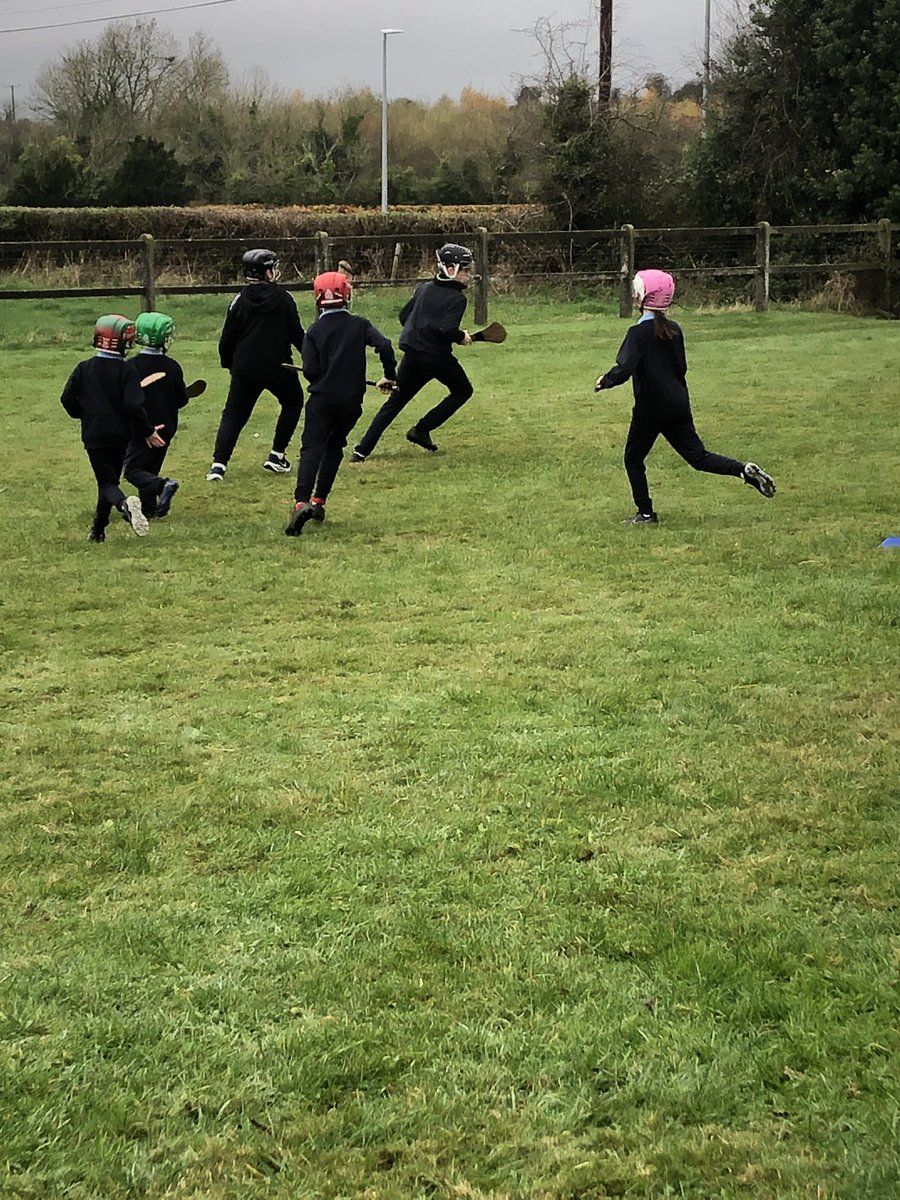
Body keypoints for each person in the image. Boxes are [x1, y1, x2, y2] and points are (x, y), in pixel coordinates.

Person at [594, 269, 776, 524]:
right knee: (698, 457)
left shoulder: (637, 334)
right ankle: (743, 471)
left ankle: (645, 513)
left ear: (645, 297)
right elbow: (681, 368)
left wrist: (605, 381)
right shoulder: (675, 330)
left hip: (651, 408)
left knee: (633, 458)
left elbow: (625, 369)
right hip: (678, 402)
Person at [285, 271, 397, 535]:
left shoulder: (313, 331)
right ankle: (319, 500)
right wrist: (390, 376)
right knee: (334, 447)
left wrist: (320, 371)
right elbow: (385, 345)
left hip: (322, 400)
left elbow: (311, 371)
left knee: (312, 448)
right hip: (350, 401)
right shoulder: (360, 324)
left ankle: (301, 501)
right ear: (346, 295)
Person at [349, 243, 475, 461]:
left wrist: (422, 330)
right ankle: (422, 428)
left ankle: (361, 450)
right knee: (463, 391)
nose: (468, 274)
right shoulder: (457, 298)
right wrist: (460, 337)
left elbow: (404, 317)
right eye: (465, 270)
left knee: (395, 402)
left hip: (413, 355)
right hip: (437, 357)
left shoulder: (424, 288)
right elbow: (447, 329)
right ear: (451, 269)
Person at [60, 314, 166, 541]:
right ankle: (98, 530)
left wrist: (85, 415)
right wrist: (147, 430)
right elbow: (133, 406)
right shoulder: (127, 370)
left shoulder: (83, 368)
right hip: (120, 434)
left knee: (107, 482)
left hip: (94, 434)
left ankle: (123, 504)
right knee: (109, 480)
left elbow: (67, 399)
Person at [206, 248, 304, 482]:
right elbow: (297, 335)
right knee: (293, 401)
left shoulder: (238, 300)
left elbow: (227, 338)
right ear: (267, 272)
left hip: (245, 368)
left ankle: (218, 465)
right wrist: (315, 360)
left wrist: (229, 364)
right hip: (278, 367)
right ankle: (276, 454)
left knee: (234, 414)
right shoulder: (284, 299)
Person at [123, 311, 187, 520]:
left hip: (143, 427)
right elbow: (181, 400)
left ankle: (163, 485)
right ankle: (149, 510)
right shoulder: (173, 367)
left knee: (133, 470)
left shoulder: (130, 366)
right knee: (148, 469)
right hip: (167, 427)